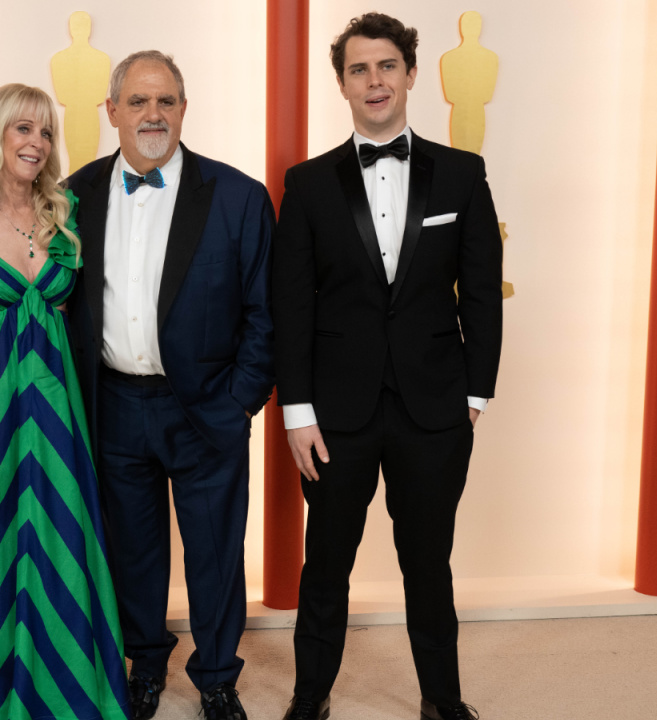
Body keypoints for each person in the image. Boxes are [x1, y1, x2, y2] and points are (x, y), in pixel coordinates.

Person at [272, 13, 502, 720]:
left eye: (386, 66)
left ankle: (442, 699)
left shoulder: (463, 174)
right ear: (341, 83)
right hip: (334, 416)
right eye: (358, 69)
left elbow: (484, 288)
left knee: (428, 565)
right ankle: (310, 699)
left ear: (408, 73)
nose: (374, 81)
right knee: (326, 568)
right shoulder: (307, 183)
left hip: (436, 410)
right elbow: (291, 306)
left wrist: (476, 396)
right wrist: (297, 412)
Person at [66, 51, 275, 720]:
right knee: (134, 552)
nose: (152, 114)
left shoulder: (238, 196)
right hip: (115, 404)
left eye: (166, 101)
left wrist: (241, 399)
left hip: (207, 406)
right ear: (112, 112)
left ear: (184, 110)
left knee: (216, 551)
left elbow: (266, 313)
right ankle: (145, 667)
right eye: (137, 101)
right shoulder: (74, 193)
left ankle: (216, 677)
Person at [0, 83, 130, 720]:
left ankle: (65, 673)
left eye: (46, 133)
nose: (37, 144)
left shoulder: (64, 211)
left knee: (59, 524)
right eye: (24, 129)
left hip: (55, 396)